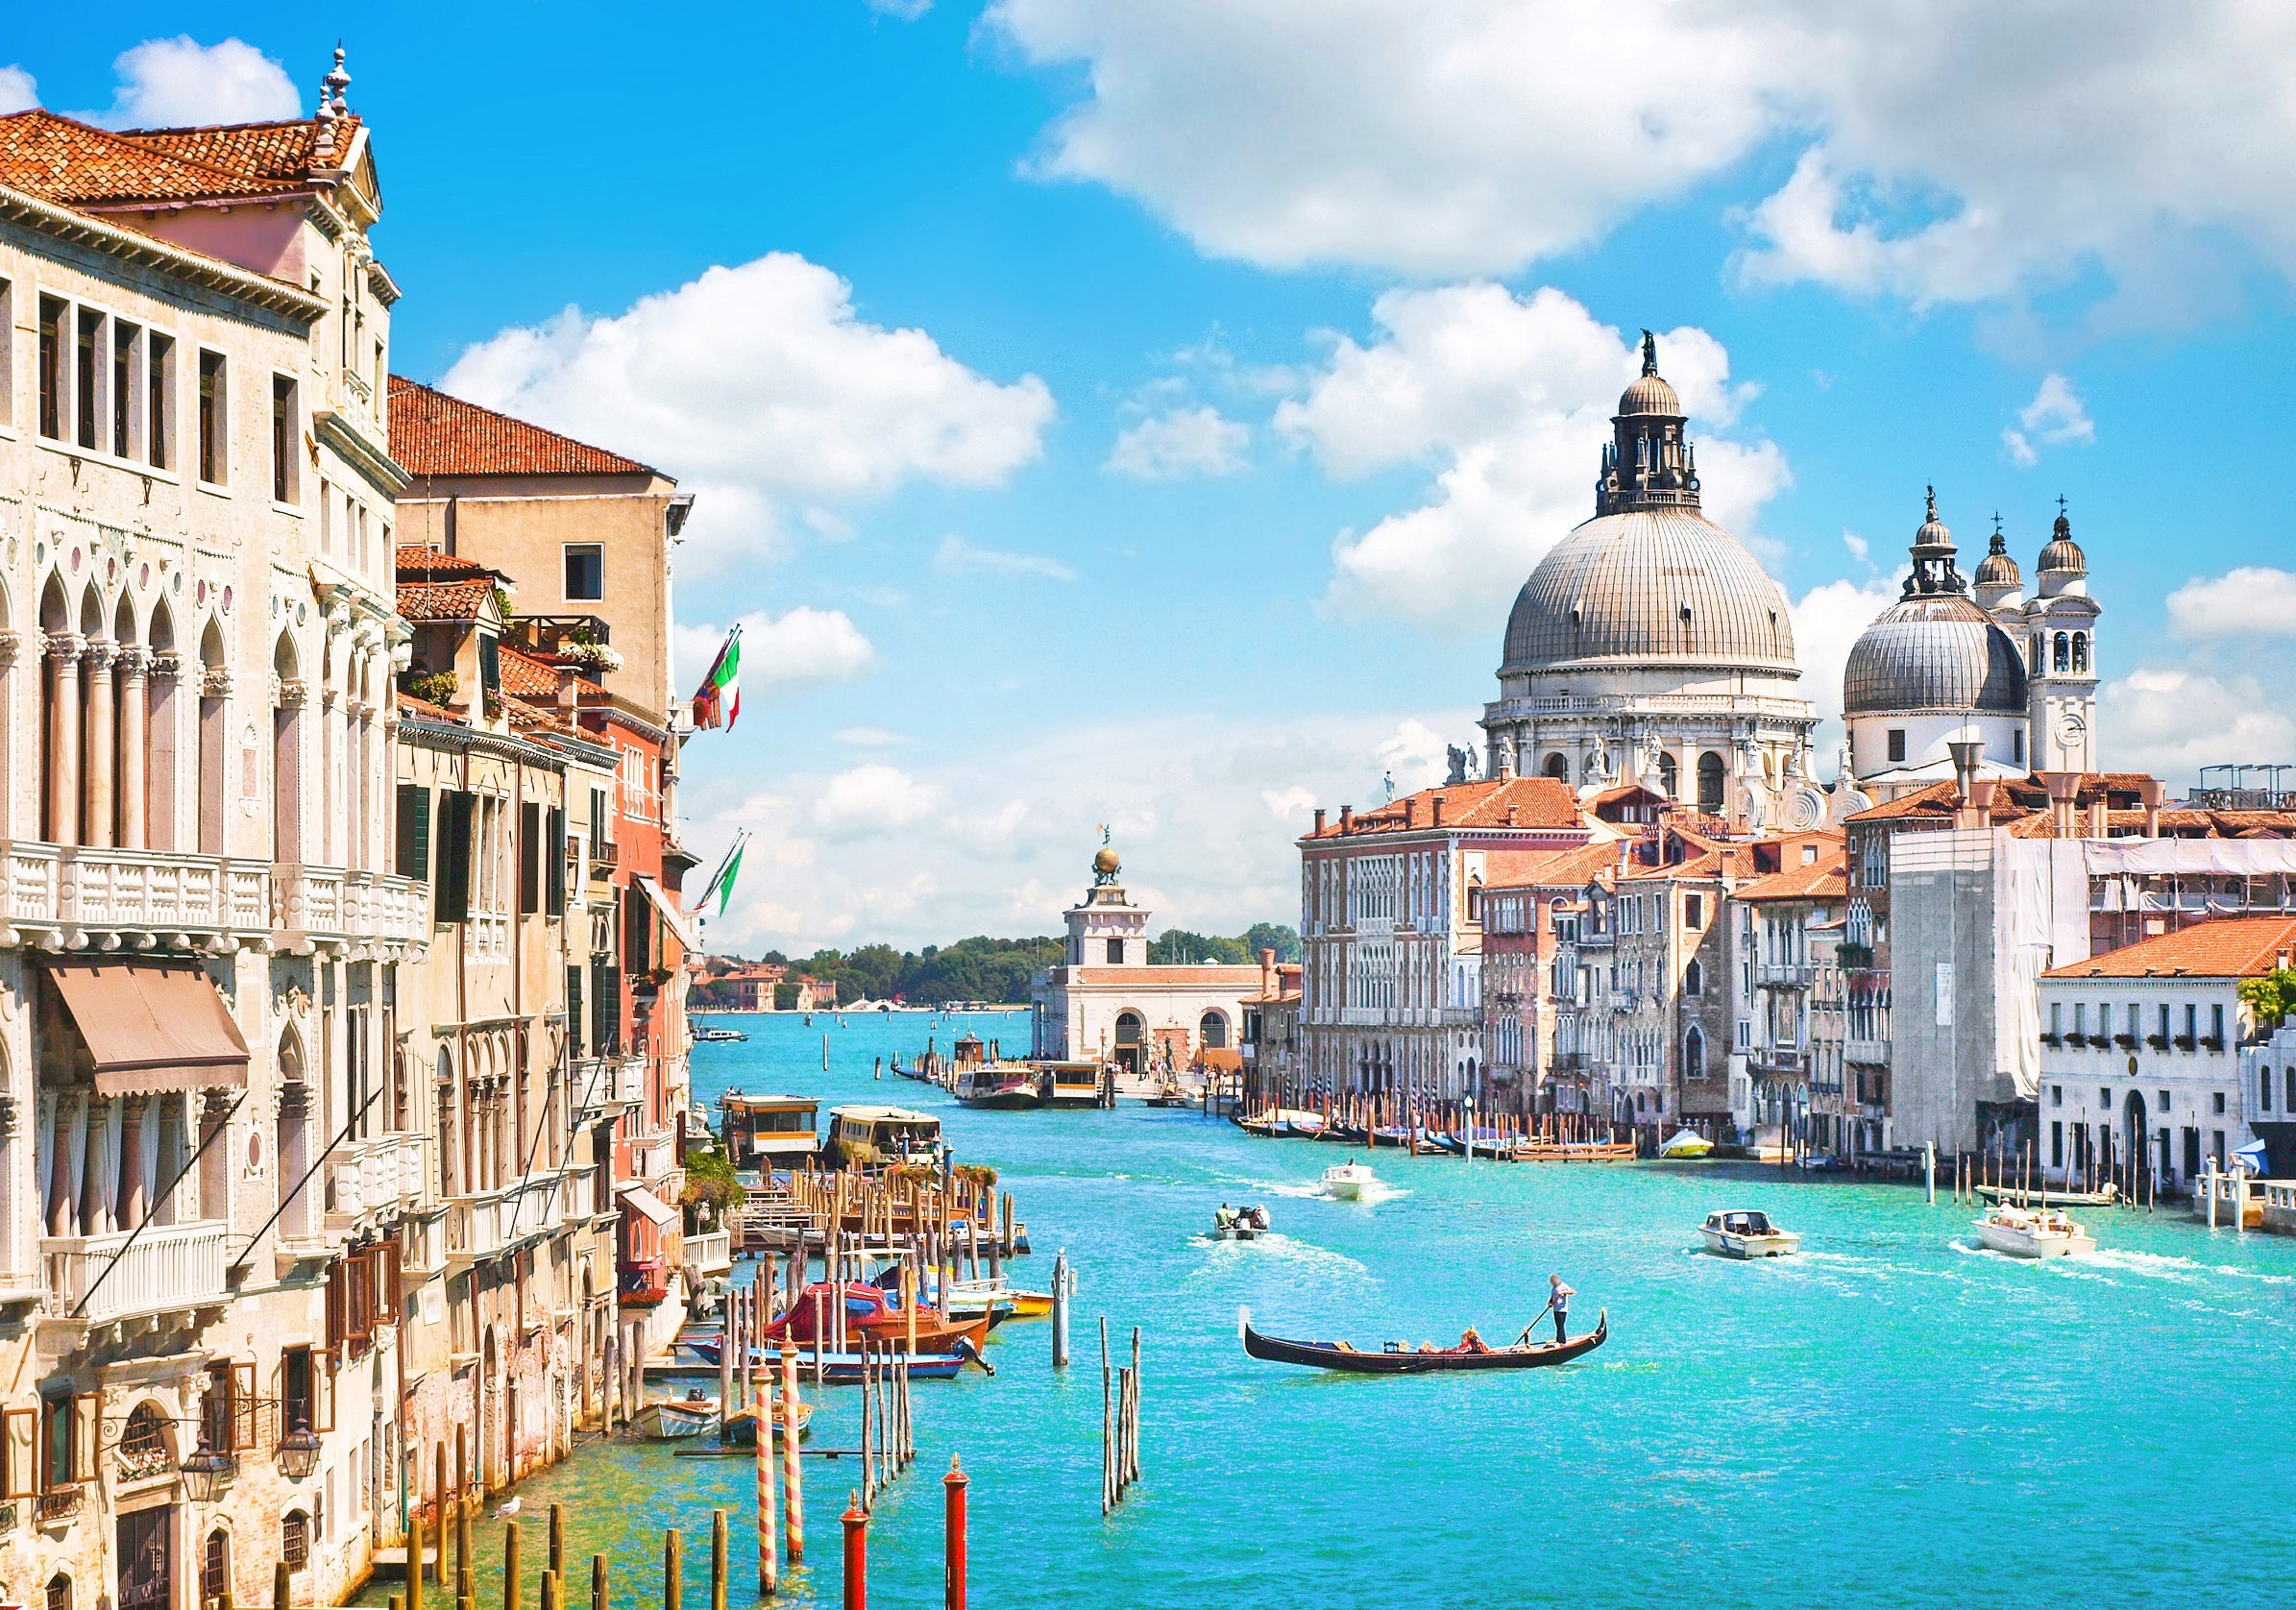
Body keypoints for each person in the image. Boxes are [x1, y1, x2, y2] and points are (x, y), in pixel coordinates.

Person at [1548, 1273, 1575, 1343]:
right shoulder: (1554, 1288)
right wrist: (1550, 1302)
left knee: (1560, 1325)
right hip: (1556, 1309)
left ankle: (1562, 1341)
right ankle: (1558, 1339)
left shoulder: (1563, 1286)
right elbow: (1553, 1296)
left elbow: (1572, 1291)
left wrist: (1564, 1292)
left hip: (1562, 1309)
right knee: (1558, 1325)